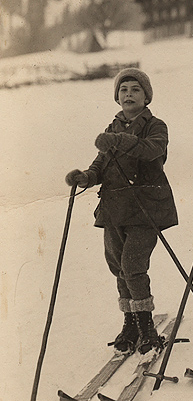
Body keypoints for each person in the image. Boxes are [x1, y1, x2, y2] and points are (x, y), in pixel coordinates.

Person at [65, 68, 178, 354]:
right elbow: (101, 164)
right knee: (117, 266)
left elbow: (153, 151)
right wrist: (86, 178)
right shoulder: (112, 126)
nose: (129, 93)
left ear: (146, 97)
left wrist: (117, 141)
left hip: (145, 208)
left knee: (132, 264)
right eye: (124, 89)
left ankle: (146, 327)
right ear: (117, 97)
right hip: (114, 208)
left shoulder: (156, 125)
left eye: (135, 89)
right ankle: (130, 322)